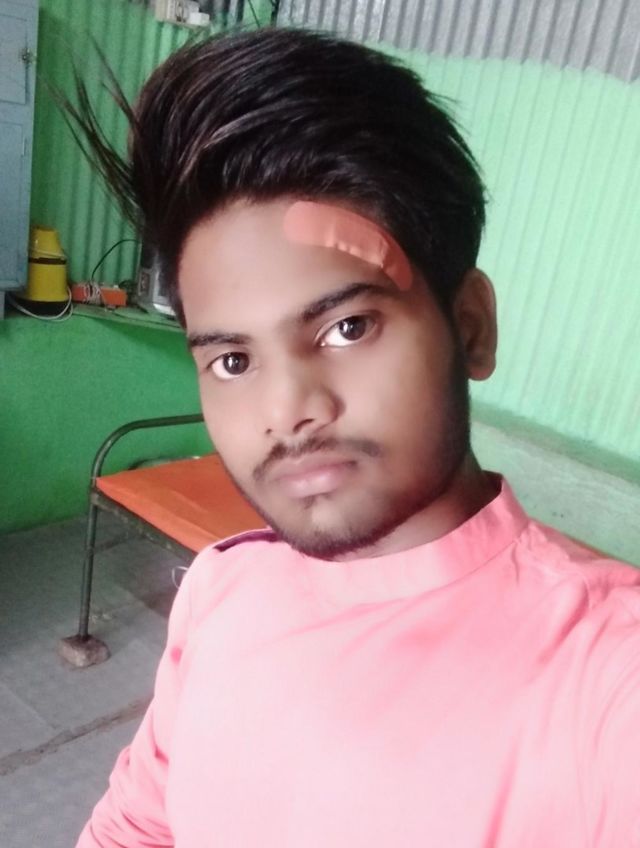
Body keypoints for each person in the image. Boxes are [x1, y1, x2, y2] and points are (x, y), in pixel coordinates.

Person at [70, 27, 640, 847]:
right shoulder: (221, 592)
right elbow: (135, 827)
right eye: (233, 360)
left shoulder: (605, 683)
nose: (287, 410)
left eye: (347, 327)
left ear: (470, 327)